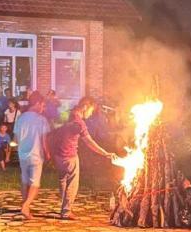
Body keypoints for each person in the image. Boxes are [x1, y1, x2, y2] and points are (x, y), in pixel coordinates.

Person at [49, 96, 115, 220]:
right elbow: (89, 142)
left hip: (58, 154)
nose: (90, 114)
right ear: (85, 106)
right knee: (72, 184)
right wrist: (105, 153)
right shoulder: (79, 123)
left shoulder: (68, 115)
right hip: (69, 155)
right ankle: (66, 212)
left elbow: (55, 129)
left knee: (63, 181)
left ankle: (64, 208)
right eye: (91, 110)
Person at [12, 91, 51, 219]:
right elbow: (44, 139)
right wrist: (48, 153)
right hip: (36, 155)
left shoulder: (21, 118)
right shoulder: (42, 120)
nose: (43, 108)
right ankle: (26, 205)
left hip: (22, 155)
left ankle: (25, 206)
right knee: (35, 183)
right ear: (38, 103)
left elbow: (15, 139)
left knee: (25, 180)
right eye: (43, 105)